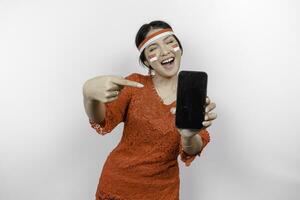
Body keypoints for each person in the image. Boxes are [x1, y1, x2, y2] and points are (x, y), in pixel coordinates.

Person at [82, 20, 217, 200]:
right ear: (146, 60)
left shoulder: (194, 96)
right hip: (117, 186)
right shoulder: (134, 84)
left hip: (162, 193)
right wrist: (89, 96)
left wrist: (188, 136)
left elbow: (192, 149)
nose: (165, 51)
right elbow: (102, 120)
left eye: (169, 42)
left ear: (180, 49)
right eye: (153, 48)